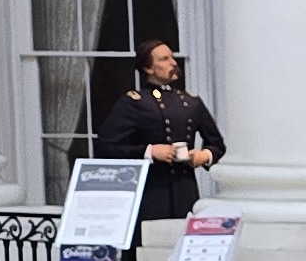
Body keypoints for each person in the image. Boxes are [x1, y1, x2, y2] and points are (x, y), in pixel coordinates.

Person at [96, 39, 224, 223]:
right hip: (150, 193)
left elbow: (217, 144)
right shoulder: (135, 102)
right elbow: (106, 147)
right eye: (164, 59)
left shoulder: (190, 101)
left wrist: (205, 155)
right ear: (148, 69)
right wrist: (149, 151)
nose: (173, 63)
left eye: (172, 57)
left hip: (185, 190)